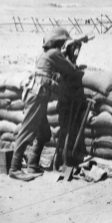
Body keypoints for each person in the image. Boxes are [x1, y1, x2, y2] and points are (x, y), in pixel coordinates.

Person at [9, 27, 81, 181]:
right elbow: (71, 70)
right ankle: (14, 168)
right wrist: (72, 54)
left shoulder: (47, 54)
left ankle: (33, 165)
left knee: (44, 133)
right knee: (27, 131)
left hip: (37, 94)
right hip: (37, 95)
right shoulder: (54, 54)